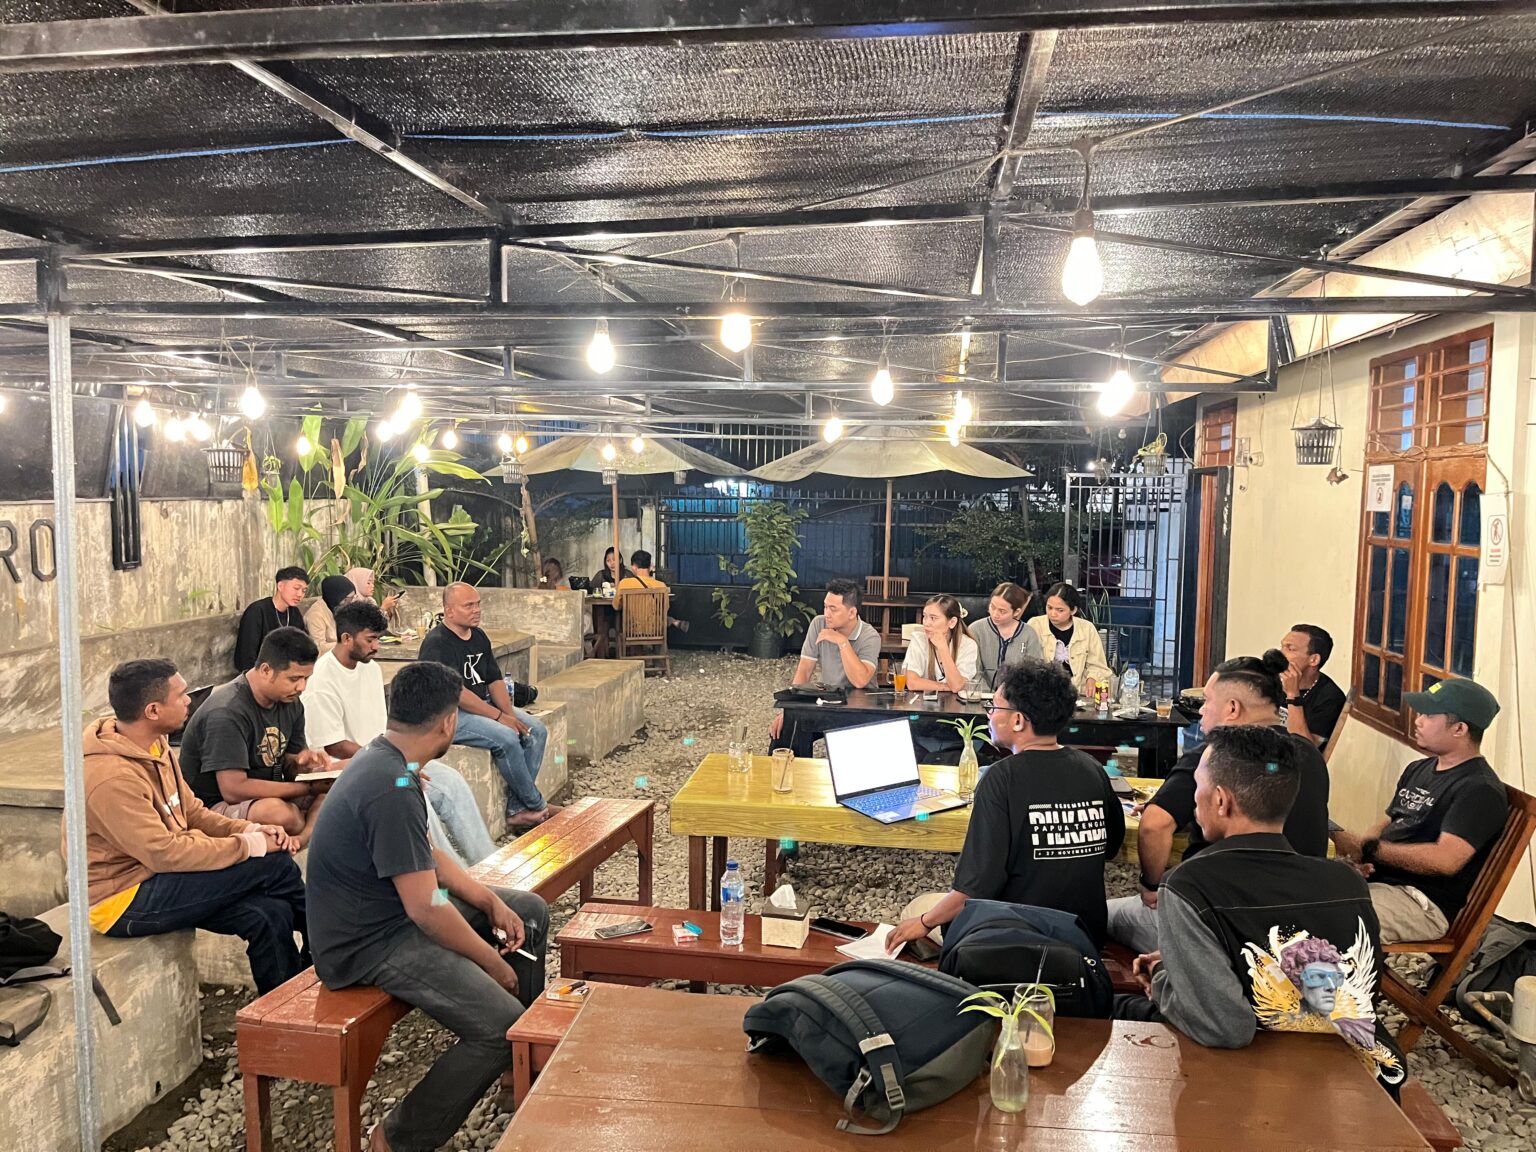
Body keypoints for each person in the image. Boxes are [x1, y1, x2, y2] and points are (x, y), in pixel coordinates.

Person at [306, 661, 548, 1152]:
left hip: (396, 912)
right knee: (498, 1023)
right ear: (448, 722)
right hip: (367, 943)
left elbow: (429, 858)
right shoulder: (387, 785)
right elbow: (426, 908)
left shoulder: (392, 763)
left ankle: (516, 1069)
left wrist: (489, 901)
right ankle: (397, 1139)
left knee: (527, 911)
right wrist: (492, 965)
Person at [1119, 725, 1404, 1094]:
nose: (1193, 798)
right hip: (1366, 1075)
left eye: (1197, 786)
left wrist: (1162, 974)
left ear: (1220, 801)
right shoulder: (1346, 881)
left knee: (1117, 1007)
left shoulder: (1188, 885)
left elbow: (1225, 1028)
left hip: (1266, 1091)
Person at [81, 659, 308, 994]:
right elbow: (164, 853)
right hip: (124, 899)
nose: (189, 701)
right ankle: (333, 951)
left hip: (163, 877)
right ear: (153, 711)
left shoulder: (154, 746)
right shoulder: (111, 778)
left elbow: (194, 813)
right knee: (274, 864)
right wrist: (250, 846)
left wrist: (248, 830)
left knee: (269, 914)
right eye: (181, 695)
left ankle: (284, 1008)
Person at [887, 659, 1125, 951]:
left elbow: (972, 891)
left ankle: (959, 975)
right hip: (1084, 937)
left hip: (1016, 941)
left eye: (994, 707)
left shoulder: (1000, 778)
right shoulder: (1093, 770)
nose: (989, 715)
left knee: (917, 908)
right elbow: (1111, 847)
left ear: (1018, 720)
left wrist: (924, 922)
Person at [1107, 650, 1331, 955]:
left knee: (1096, 916)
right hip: (1299, 925)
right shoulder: (1310, 756)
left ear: (1232, 708)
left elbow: (1154, 825)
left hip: (1217, 925)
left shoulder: (1216, 756)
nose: (1201, 711)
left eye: (1207, 701)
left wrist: (1151, 887)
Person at [302, 600, 499, 868]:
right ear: (346, 638)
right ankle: (456, 878)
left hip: (390, 760)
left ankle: (490, 866)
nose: (376, 646)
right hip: (353, 771)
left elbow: (384, 728)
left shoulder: (370, 668)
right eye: (370, 639)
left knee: (452, 782)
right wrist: (396, 764)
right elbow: (334, 746)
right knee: (416, 795)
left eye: (378, 639)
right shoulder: (321, 679)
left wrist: (407, 760)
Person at [1332, 678, 1507, 944]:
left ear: (1459, 729)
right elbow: (1388, 820)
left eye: (1429, 715)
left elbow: (1446, 860)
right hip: (1381, 881)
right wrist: (1361, 854)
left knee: (1329, 918)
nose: (1418, 720)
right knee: (1299, 892)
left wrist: (1373, 849)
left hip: (1421, 902)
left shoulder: (1480, 789)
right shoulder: (1418, 769)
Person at [181, 627, 333, 847]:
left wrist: (304, 763)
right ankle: (303, 828)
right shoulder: (227, 712)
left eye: (306, 678)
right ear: (266, 670)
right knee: (280, 814)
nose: (302, 687)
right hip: (213, 807)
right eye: (294, 678)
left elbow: (289, 765)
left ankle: (300, 839)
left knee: (334, 794)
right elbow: (234, 790)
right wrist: (307, 789)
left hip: (267, 793)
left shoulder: (291, 702)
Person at [418, 583, 554, 829]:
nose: (477, 610)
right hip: (448, 714)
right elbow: (457, 693)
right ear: (449, 611)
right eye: (468, 605)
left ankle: (518, 809)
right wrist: (499, 718)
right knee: (506, 738)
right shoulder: (437, 643)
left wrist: (510, 715)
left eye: (478, 604)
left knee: (535, 731)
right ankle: (538, 805)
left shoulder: (479, 636)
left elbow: (494, 679)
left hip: (482, 704)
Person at [768, 578, 881, 758]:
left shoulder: (870, 636)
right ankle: (790, 774)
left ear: (852, 612)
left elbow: (860, 681)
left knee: (843, 753)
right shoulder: (819, 624)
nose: (827, 613)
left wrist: (842, 642)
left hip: (860, 707)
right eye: (825, 607)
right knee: (786, 731)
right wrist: (790, 710)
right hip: (829, 700)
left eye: (833, 609)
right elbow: (804, 670)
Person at [1025, 582, 1111, 692]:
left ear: (1073, 610)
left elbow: (1098, 665)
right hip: (1042, 691)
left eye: (1060, 610)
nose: (1053, 614)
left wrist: (1092, 678)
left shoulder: (1087, 628)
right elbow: (1027, 662)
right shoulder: (1035, 624)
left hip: (1077, 691)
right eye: (1049, 607)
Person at [1279, 624, 1348, 748]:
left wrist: (1292, 695)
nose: (1280, 654)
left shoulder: (1331, 698)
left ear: (1314, 660)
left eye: (1290, 648)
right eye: (1282, 647)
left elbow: (1305, 750)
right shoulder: (1270, 680)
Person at [233, 565, 308, 672]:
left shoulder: (294, 613)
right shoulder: (257, 611)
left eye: (304, 591)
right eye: (296, 588)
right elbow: (245, 658)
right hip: (260, 674)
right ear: (280, 586)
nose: (300, 594)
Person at [902, 594, 979, 694]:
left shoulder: (968, 645)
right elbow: (912, 683)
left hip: (955, 702)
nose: (926, 623)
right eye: (925, 616)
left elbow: (956, 685)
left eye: (933, 618)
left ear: (952, 622)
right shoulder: (919, 639)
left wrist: (943, 648)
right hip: (923, 701)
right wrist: (945, 687)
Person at [972, 582, 1043, 689]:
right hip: (980, 694)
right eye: (992, 607)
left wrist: (1011, 695)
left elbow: (1034, 673)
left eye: (1002, 611)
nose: (995, 614)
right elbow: (974, 671)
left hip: (1016, 696)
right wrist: (987, 694)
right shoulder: (976, 629)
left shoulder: (1029, 634)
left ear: (1016, 612)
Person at [617, 549, 688, 631]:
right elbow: (665, 608)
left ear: (634, 567)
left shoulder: (624, 583)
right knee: (660, 617)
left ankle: (673, 621)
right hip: (655, 629)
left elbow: (616, 606)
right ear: (650, 566)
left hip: (632, 630)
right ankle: (673, 621)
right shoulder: (661, 586)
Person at [304, 574, 359, 650]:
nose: (351, 602)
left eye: (353, 598)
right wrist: (346, 644)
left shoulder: (339, 608)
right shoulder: (315, 615)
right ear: (336, 597)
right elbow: (318, 647)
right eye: (348, 599)